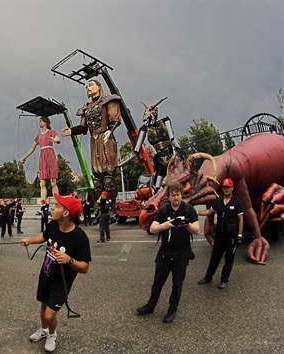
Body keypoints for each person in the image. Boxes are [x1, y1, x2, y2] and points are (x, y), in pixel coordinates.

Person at [20, 193, 91, 353]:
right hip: (45, 275)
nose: (52, 207)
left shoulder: (80, 238)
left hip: (62, 283)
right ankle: (44, 330)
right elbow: (43, 237)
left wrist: (69, 260)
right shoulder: (53, 225)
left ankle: (52, 334)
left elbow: (85, 267)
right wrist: (29, 240)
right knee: (43, 305)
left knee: (50, 315)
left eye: (57, 205)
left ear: (66, 213)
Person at [136, 182, 200, 324]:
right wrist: (167, 225)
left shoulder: (188, 209)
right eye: (173, 195)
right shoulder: (164, 210)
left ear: (181, 195)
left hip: (181, 254)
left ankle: (172, 310)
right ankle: (150, 306)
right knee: (157, 282)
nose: (175, 198)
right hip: (165, 253)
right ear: (169, 197)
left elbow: (197, 230)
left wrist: (185, 224)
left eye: (178, 195)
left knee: (177, 285)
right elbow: (152, 229)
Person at [63, 79, 122, 210]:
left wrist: (109, 130)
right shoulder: (86, 108)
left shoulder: (109, 100)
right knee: (97, 181)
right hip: (94, 141)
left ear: (99, 87)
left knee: (108, 178)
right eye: (86, 86)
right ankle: (102, 209)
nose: (87, 88)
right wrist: (71, 131)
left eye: (90, 85)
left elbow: (114, 119)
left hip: (106, 139)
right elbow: (84, 128)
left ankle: (111, 208)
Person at [197, 178, 244, 289]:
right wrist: (197, 213)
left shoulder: (237, 202)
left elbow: (241, 219)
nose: (226, 189)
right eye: (224, 187)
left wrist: (239, 236)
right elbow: (210, 211)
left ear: (232, 188)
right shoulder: (218, 201)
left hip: (231, 236)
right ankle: (208, 277)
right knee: (215, 257)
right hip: (219, 235)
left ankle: (224, 279)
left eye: (228, 187)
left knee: (229, 259)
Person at [21, 116, 61, 203]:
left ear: (45, 122)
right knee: (42, 183)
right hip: (42, 157)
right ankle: (43, 203)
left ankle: (57, 202)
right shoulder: (38, 136)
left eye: (41, 121)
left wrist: (55, 139)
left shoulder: (51, 132)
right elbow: (32, 148)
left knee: (53, 182)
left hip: (50, 156)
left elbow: (58, 140)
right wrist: (25, 157)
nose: (39, 123)